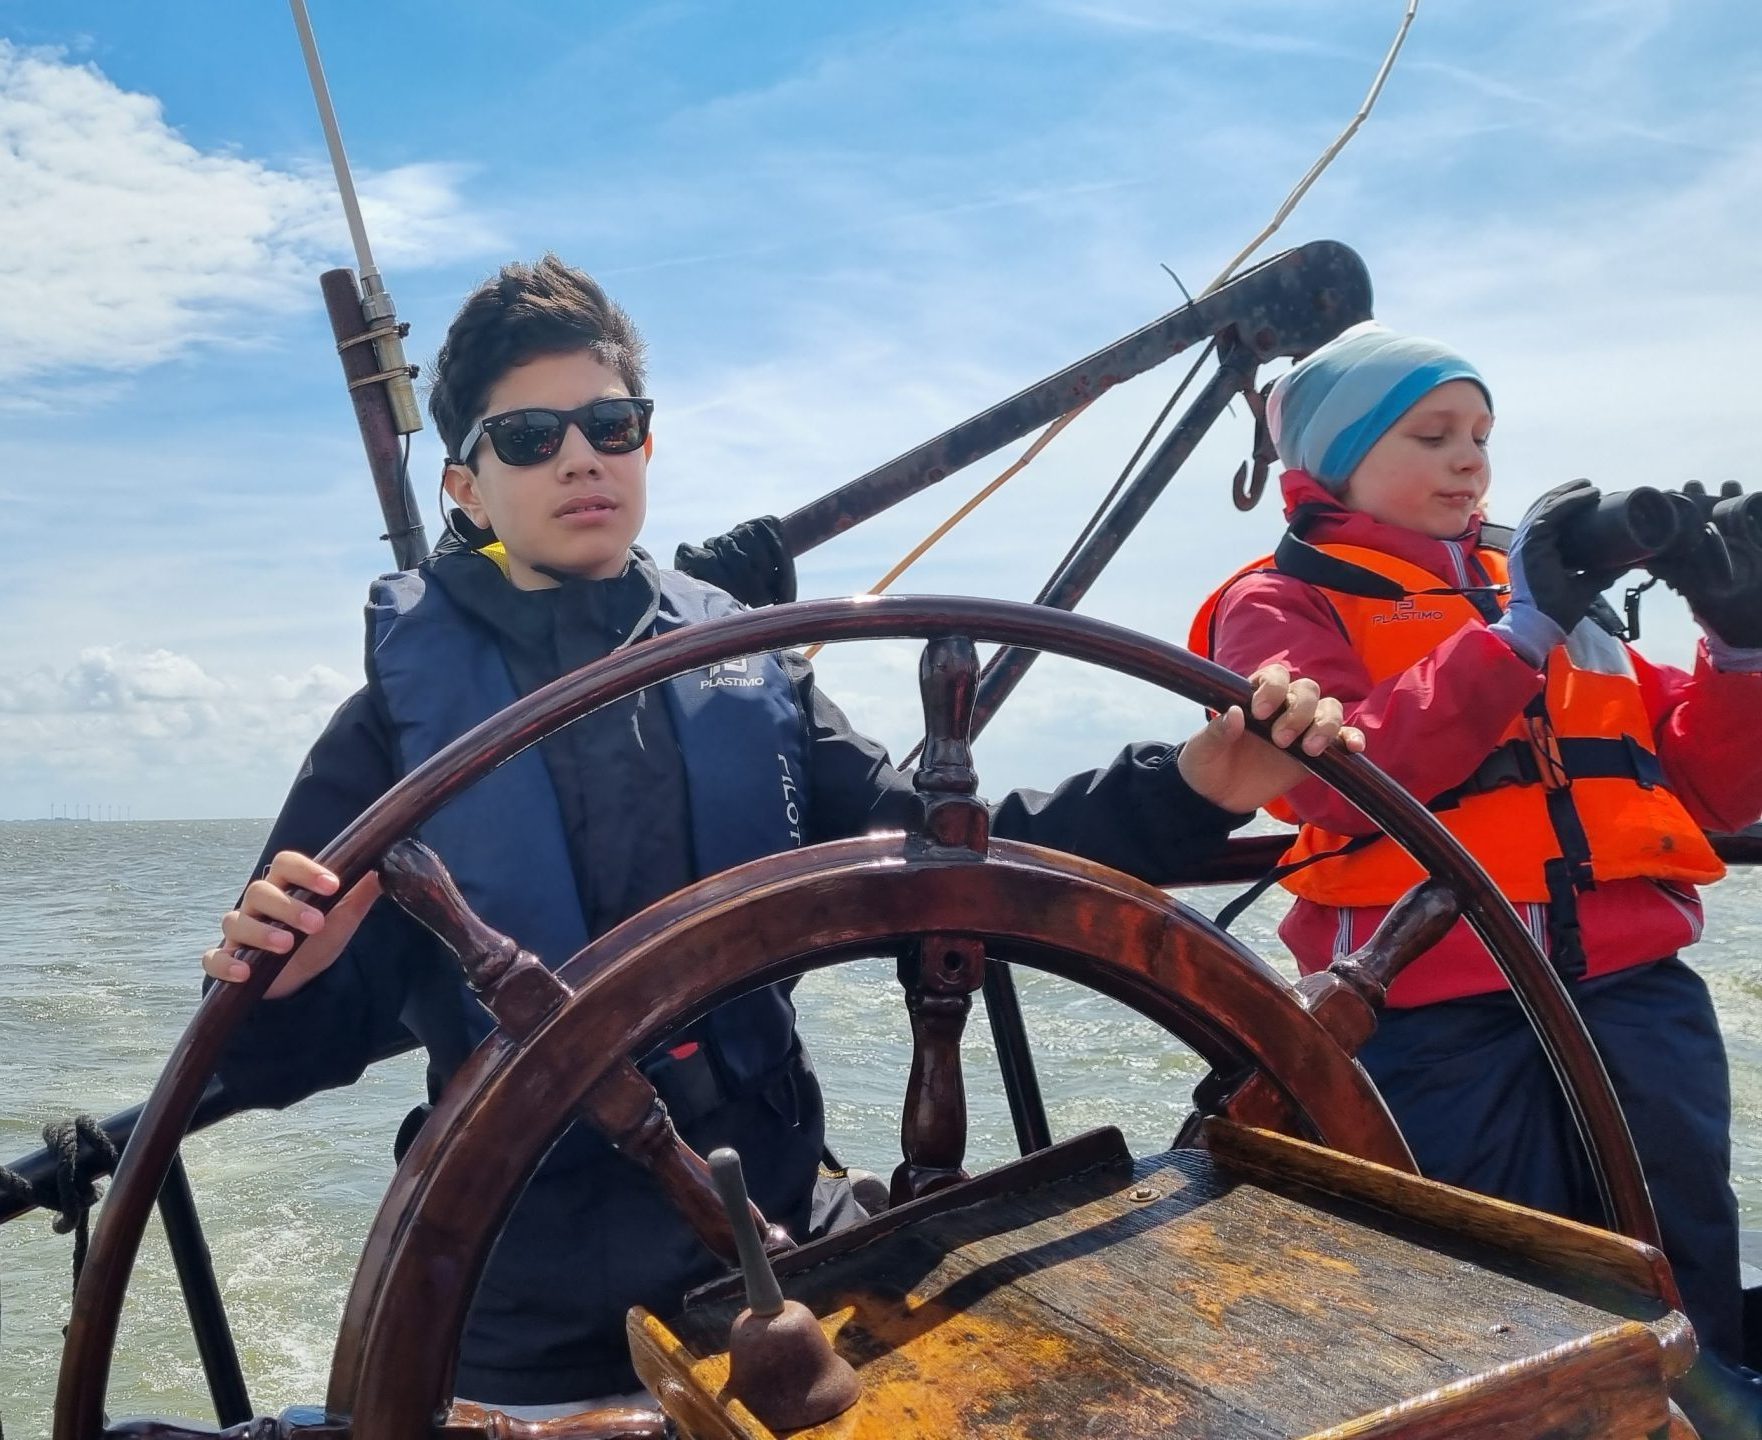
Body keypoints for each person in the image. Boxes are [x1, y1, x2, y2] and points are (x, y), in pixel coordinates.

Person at [203, 255, 1361, 1418]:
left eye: (610, 424)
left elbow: (945, 864)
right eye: (529, 437)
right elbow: (270, 1047)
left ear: (646, 449)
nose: (578, 457)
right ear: (464, 485)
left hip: (771, 1252)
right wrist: (285, 979)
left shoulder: (749, 671)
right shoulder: (395, 726)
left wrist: (1198, 782)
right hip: (522, 1300)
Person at [1190, 319, 1762, 1430]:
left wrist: (1737, 645)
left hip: (1632, 990)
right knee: (1487, 1268)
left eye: (1481, 435)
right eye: (1432, 434)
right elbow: (1324, 781)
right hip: (1431, 1009)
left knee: (1682, 1231)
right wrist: (1513, 633)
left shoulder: (1556, 596)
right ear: (1331, 462)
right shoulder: (1282, 599)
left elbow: (1710, 793)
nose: (1470, 459)